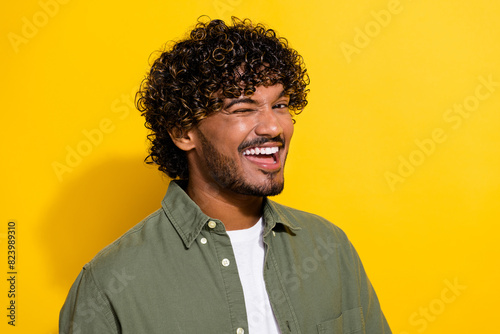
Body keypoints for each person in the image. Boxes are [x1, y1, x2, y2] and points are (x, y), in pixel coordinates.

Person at [59, 17, 391, 334]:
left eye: (280, 105)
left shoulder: (330, 248)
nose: (274, 126)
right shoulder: (109, 283)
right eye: (243, 109)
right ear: (184, 132)